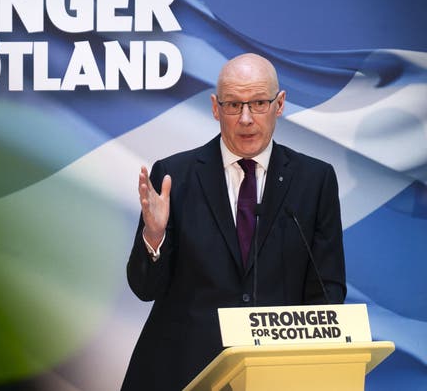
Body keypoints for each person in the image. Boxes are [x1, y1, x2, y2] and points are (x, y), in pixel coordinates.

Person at [121, 53, 346, 390]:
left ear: (279, 104)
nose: (245, 119)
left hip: (276, 374)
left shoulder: (315, 180)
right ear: (215, 108)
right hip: (184, 372)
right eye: (233, 105)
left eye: (258, 103)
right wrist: (153, 238)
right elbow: (144, 289)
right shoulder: (174, 176)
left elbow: (327, 291)